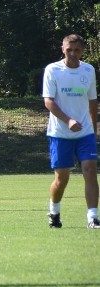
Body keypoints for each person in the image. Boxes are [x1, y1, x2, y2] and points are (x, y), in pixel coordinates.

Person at [42, 34, 100, 229]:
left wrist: (94, 129)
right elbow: (48, 101)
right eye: (69, 50)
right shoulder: (53, 70)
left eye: (77, 50)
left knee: (90, 171)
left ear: (82, 50)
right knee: (62, 178)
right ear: (62, 49)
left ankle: (93, 217)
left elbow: (92, 101)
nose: (73, 54)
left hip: (85, 134)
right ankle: (54, 212)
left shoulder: (88, 70)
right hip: (60, 134)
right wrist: (68, 120)